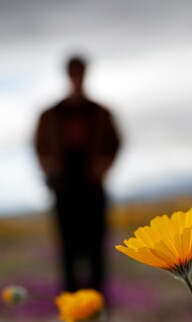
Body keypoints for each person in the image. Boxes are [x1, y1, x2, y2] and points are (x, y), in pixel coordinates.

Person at [34, 56, 121, 294]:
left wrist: (104, 167)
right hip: (64, 190)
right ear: (67, 75)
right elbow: (40, 147)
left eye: (80, 72)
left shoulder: (101, 113)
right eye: (73, 72)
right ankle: (72, 306)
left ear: (85, 74)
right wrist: (49, 169)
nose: (76, 77)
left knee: (95, 250)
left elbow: (115, 144)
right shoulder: (50, 115)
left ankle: (98, 306)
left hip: (93, 188)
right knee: (68, 251)